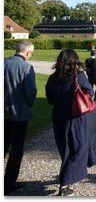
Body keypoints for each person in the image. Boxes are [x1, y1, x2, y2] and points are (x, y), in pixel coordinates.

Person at [45, 49, 96, 196]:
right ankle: (66, 182)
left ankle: (71, 174)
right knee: (79, 148)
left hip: (59, 116)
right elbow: (90, 93)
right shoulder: (78, 76)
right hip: (75, 117)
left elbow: (50, 99)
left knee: (65, 148)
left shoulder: (52, 78)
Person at [4, 41, 37, 195]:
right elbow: (31, 93)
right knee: (16, 150)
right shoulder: (26, 67)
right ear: (27, 53)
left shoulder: (3, 63)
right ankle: (9, 183)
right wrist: (30, 102)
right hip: (19, 114)